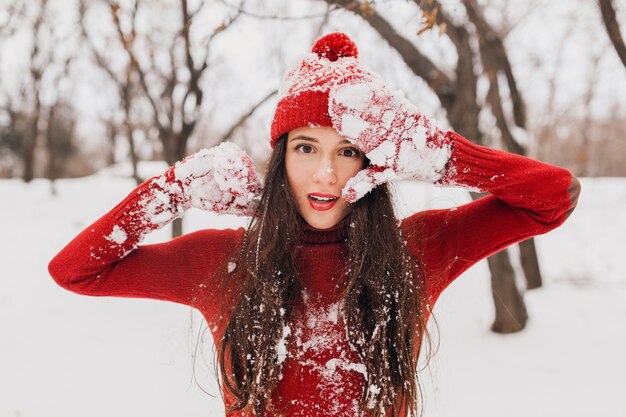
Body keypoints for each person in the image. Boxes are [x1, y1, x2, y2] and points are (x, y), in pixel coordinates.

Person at [48, 32, 581, 417]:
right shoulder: (224, 259)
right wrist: (173, 191)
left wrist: (440, 154)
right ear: (281, 159)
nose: (325, 172)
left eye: (348, 151)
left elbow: (553, 198)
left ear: (374, 159)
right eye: (306, 147)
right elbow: (75, 271)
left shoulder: (420, 248)